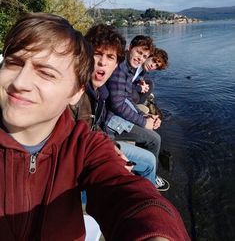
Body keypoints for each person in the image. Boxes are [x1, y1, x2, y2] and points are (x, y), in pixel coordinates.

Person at [0, 13, 190, 240]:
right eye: (14, 63)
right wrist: (143, 121)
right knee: (150, 151)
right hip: (111, 129)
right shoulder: (89, 105)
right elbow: (116, 107)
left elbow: (128, 195)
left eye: (45, 73)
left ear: (75, 91)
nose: (20, 82)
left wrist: (156, 232)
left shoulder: (81, 143)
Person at [72, 24, 157, 186]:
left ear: (116, 62)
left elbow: (96, 127)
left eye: (110, 57)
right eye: (97, 54)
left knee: (149, 157)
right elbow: (118, 104)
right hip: (86, 165)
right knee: (152, 151)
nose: (103, 62)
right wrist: (143, 121)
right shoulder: (74, 94)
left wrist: (114, 148)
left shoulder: (100, 93)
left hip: (102, 144)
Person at [105, 35, 168, 190]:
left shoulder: (128, 68)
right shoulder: (120, 69)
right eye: (139, 53)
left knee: (151, 133)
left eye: (144, 56)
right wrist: (143, 121)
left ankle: (146, 173)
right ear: (130, 48)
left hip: (113, 117)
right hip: (110, 122)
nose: (141, 58)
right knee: (154, 139)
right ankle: (148, 181)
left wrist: (145, 116)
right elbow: (118, 104)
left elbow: (125, 98)